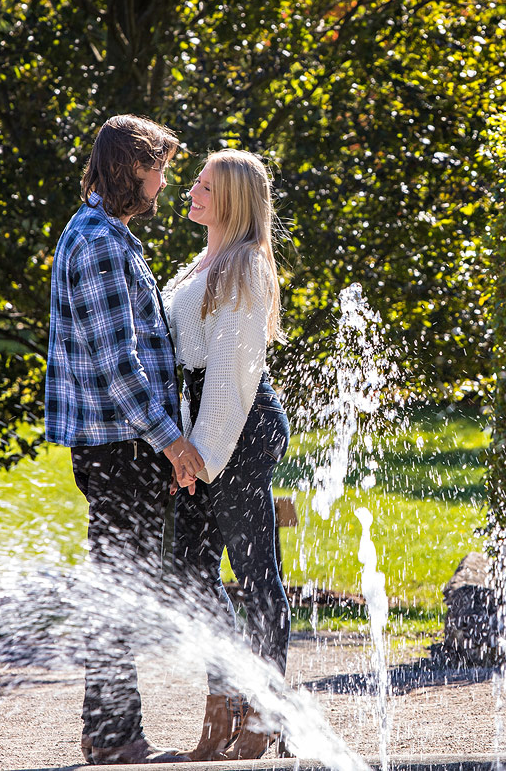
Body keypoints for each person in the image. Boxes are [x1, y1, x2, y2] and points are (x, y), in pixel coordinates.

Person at [45, 114, 205, 765]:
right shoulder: (101, 244)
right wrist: (173, 442)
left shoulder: (110, 236)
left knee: (122, 585)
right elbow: (120, 368)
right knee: (121, 589)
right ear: (132, 167)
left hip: (122, 445)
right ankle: (116, 739)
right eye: (160, 167)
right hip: (120, 447)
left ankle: (105, 730)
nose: (165, 182)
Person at [163, 149, 292, 762]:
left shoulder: (242, 266)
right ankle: (228, 699)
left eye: (205, 186)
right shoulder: (204, 260)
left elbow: (233, 373)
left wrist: (201, 454)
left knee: (255, 572)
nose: (191, 191)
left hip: (237, 424)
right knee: (187, 570)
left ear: (233, 199)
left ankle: (265, 712)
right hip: (203, 427)